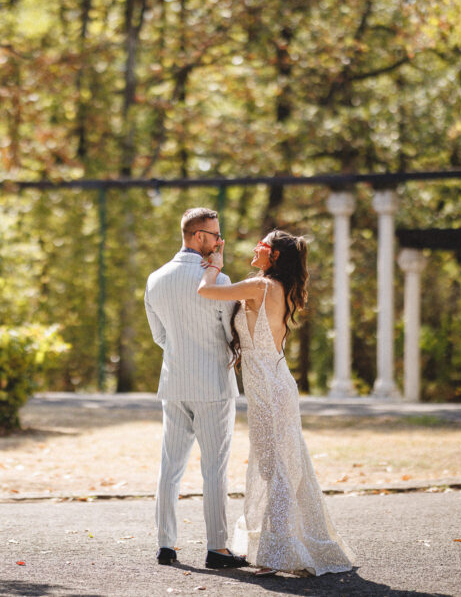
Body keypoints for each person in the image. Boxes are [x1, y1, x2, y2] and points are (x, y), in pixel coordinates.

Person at [197, 230, 355, 576]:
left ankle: (278, 552)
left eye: (263, 245)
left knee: (274, 467)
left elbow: (206, 291)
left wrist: (213, 265)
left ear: (275, 256)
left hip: (270, 388)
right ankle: (294, 548)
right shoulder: (275, 287)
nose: (256, 248)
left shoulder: (261, 286)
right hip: (275, 383)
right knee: (284, 464)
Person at [144, 208, 249, 570]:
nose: (221, 241)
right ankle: (217, 548)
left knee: (169, 467)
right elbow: (228, 335)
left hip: (173, 384)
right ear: (198, 236)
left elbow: (160, 336)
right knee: (215, 469)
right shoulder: (219, 281)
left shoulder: (155, 279)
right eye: (216, 235)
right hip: (214, 385)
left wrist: (182, 351)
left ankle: (165, 545)